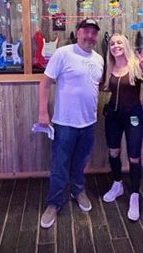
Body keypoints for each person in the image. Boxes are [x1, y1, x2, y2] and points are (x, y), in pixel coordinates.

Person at [38, 18, 104, 228]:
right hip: (65, 123)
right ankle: (54, 203)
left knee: (80, 162)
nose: (90, 36)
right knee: (60, 164)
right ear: (78, 32)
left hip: (89, 123)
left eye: (94, 32)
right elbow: (45, 83)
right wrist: (43, 112)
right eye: (86, 31)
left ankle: (78, 191)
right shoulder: (63, 53)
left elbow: (95, 86)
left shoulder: (99, 59)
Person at [101, 33, 143, 221]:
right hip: (113, 116)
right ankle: (117, 184)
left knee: (134, 157)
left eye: (119, 43)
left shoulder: (136, 65)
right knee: (113, 152)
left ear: (125, 45)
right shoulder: (109, 67)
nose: (115, 46)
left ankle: (134, 195)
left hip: (133, 116)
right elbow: (102, 86)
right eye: (112, 44)